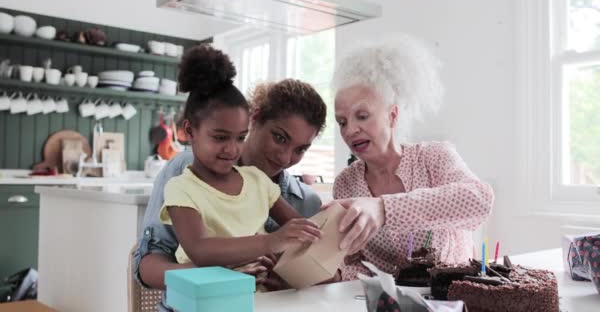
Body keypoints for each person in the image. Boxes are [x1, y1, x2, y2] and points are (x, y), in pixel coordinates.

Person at [132, 48, 329, 307]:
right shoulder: (183, 175)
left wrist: (287, 278)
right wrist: (221, 274)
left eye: (301, 149)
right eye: (279, 138)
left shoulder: (300, 198)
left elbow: (319, 267)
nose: (285, 157)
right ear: (256, 118)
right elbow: (149, 267)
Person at [326, 35, 495, 281]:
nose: (350, 130)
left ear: (392, 116)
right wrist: (334, 275)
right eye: (342, 121)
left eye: (362, 116)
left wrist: (384, 208)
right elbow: (358, 264)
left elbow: (479, 200)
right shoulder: (345, 184)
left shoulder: (434, 157)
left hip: (453, 298)